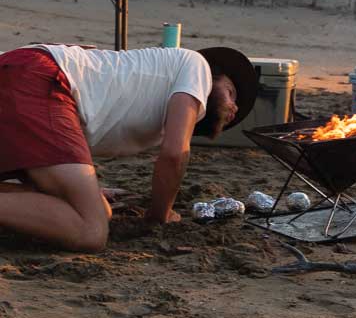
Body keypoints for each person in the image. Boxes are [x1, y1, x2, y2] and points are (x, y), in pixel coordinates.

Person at [0, 44, 258, 253]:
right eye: (231, 93)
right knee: (91, 230)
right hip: (38, 82)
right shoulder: (197, 67)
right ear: (213, 77)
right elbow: (174, 154)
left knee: (102, 210)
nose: (233, 107)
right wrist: (159, 215)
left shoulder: (147, 83)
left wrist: (90, 189)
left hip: (24, 77)